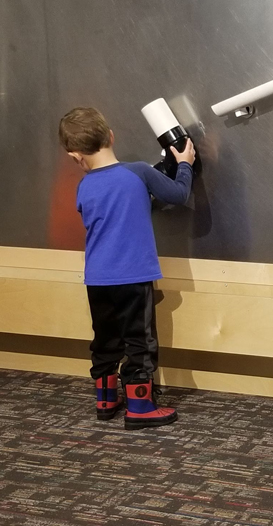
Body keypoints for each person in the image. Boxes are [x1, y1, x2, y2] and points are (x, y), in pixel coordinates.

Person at [58, 107, 195, 430]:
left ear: (74, 156)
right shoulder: (138, 173)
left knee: (105, 338)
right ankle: (140, 406)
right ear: (111, 137)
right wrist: (185, 164)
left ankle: (105, 400)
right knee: (139, 340)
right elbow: (177, 194)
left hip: (97, 278)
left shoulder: (84, 186)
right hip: (133, 276)